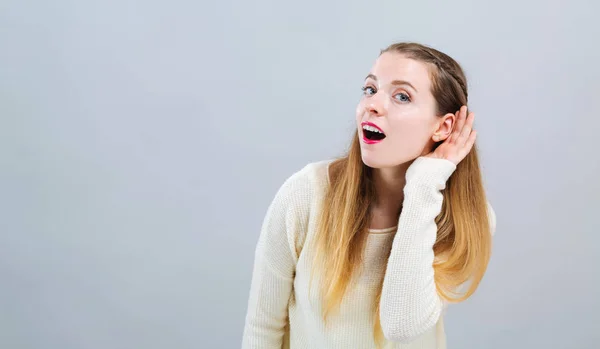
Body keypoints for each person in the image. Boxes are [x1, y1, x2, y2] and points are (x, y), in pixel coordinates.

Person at [241, 42, 496, 349]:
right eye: (370, 89)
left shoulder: (464, 219)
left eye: (402, 96)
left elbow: (401, 325)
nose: (373, 105)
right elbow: (262, 330)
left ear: (444, 126)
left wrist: (424, 184)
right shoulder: (305, 195)